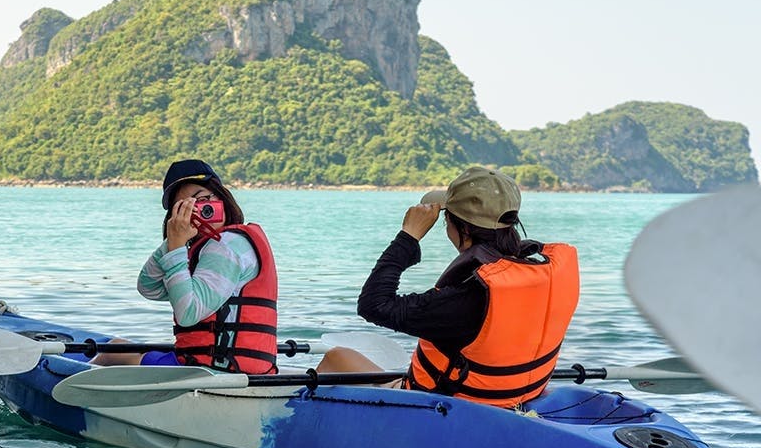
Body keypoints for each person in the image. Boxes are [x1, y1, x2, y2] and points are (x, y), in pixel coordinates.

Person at [316, 166, 579, 407]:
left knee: (338, 357)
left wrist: (408, 237)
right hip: (514, 400)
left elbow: (374, 305)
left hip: (444, 408)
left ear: (460, 228)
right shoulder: (540, 272)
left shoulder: (471, 294)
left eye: (446, 219)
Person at [92, 159, 279, 374]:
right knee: (118, 346)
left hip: (209, 373)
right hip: (238, 370)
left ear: (222, 196)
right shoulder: (204, 249)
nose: (198, 210)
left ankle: (62, 386)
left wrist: (177, 247)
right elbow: (148, 287)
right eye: (185, 207)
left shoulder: (225, 245)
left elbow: (188, 313)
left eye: (202, 199)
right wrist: (174, 242)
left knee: (114, 350)